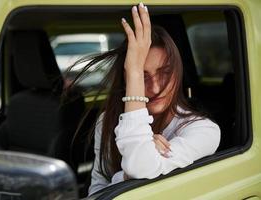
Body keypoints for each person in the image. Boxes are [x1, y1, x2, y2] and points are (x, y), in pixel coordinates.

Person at [66, 2, 221, 196]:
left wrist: (123, 176)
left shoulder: (204, 131)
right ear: (128, 79)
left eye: (165, 72)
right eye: (142, 75)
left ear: (178, 73)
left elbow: (141, 168)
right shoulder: (106, 121)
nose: (155, 87)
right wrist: (133, 72)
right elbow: (97, 192)